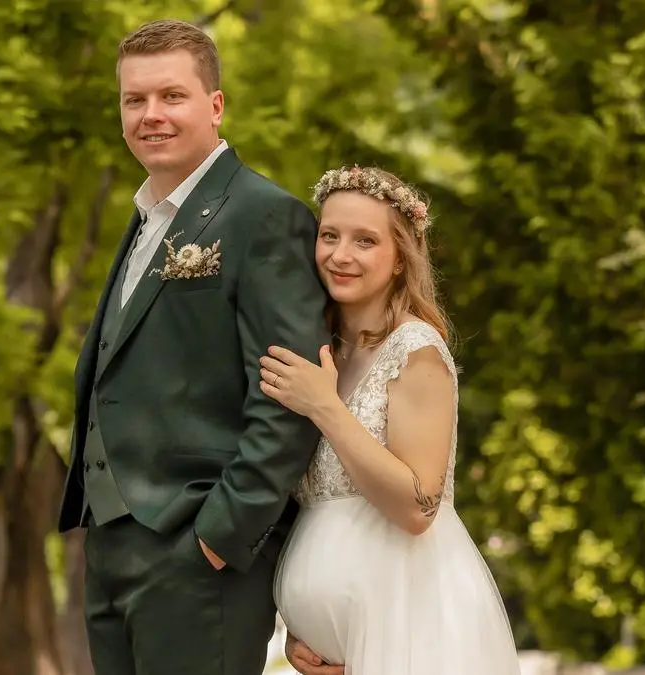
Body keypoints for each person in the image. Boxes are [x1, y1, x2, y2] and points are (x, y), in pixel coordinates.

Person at [55, 18, 330, 675]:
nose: (150, 114)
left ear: (215, 105)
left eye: (171, 96)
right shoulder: (145, 220)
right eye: (134, 100)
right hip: (110, 547)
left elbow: (291, 397)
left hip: (198, 554)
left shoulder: (262, 215)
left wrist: (219, 536)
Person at [261, 166, 522, 675]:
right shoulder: (318, 351)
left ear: (400, 257)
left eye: (365, 241)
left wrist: (325, 408)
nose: (340, 255)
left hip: (409, 625)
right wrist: (303, 626)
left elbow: (418, 508)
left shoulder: (416, 351)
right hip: (333, 652)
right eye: (329, 236)